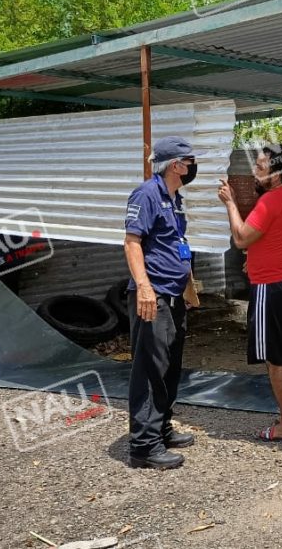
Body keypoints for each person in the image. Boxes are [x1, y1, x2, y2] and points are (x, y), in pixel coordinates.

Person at [217, 144, 282, 441]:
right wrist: (256, 259)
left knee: (275, 359)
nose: (254, 171)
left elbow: (243, 238)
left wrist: (231, 203)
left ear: (278, 172)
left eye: (261, 166)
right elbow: (275, 239)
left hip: (271, 288)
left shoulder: (270, 201)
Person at [123, 136, 199, 470]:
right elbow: (132, 242)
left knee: (169, 367)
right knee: (149, 370)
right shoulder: (147, 194)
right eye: (189, 161)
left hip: (174, 297)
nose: (192, 167)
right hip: (152, 297)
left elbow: (178, 247)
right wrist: (144, 288)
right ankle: (143, 446)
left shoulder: (175, 198)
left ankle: (161, 428)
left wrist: (189, 288)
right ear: (174, 165)